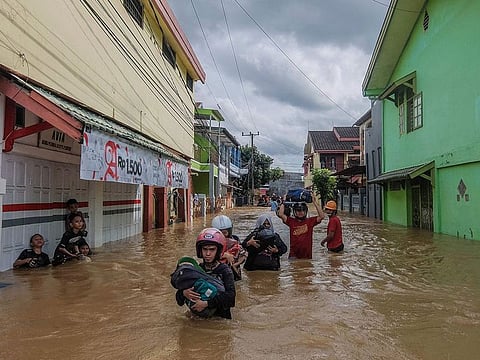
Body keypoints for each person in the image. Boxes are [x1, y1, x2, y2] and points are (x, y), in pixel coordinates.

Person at [175, 228, 236, 319]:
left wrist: (206, 304)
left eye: (212, 250)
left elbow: (231, 299)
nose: (208, 253)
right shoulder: (195, 270)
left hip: (219, 321)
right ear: (200, 250)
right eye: (205, 249)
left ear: (219, 251)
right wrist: (184, 293)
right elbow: (179, 301)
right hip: (198, 320)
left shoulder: (225, 271)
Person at [277, 195, 324, 259]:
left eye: (302, 210)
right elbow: (280, 214)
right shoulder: (291, 221)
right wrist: (284, 202)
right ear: (295, 212)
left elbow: (322, 216)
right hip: (293, 255)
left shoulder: (310, 221)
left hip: (307, 255)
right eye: (298, 211)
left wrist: (314, 202)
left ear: (305, 212)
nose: (300, 212)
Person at [212, 214, 246, 281]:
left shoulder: (235, 240)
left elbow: (243, 255)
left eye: (224, 233)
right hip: (217, 276)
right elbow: (206, 256)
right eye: (219, 233)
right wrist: (225, 255)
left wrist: (236, 264)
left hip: (234, 275)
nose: (222, 236)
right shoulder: (211, 242)